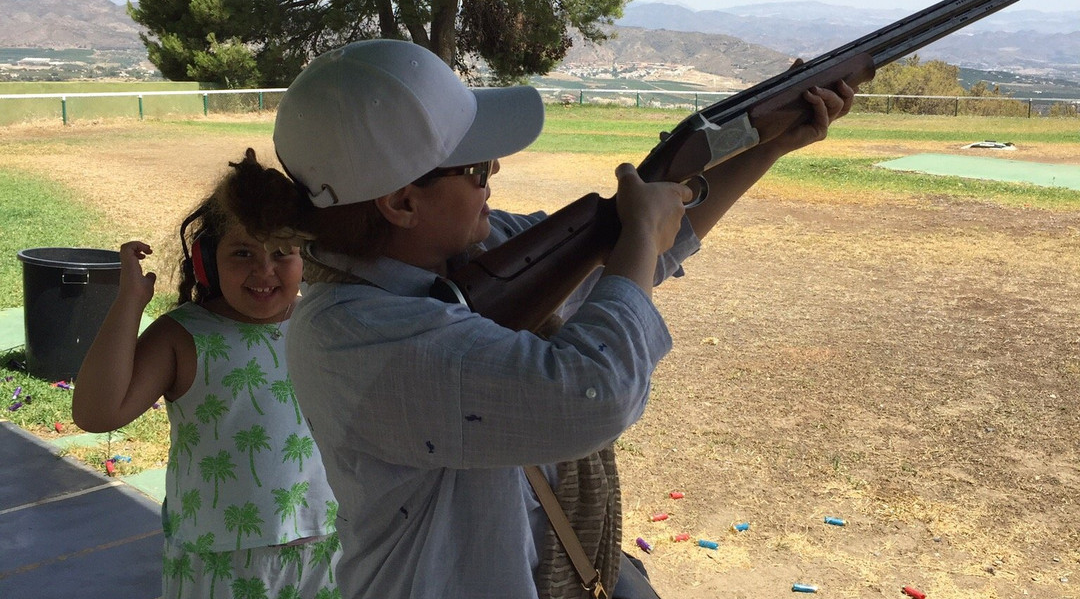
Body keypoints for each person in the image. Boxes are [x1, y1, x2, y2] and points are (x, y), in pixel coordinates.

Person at [234, 39, 854, 599]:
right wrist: (639, 233)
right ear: (401, 202)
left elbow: (639, 240)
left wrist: (769, 140)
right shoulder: (352, 334)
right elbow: (595, 391)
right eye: (476, 168)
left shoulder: (463, 253)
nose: (493, 174)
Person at [72, 150, 341, 599]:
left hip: (325, 548)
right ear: (206, 261)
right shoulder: (183, 336)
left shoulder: (321, 317)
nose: (264, 270)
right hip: (220, 563)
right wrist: (129, 304)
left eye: (282, 252)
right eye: (242, 252)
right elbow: (97, 413)